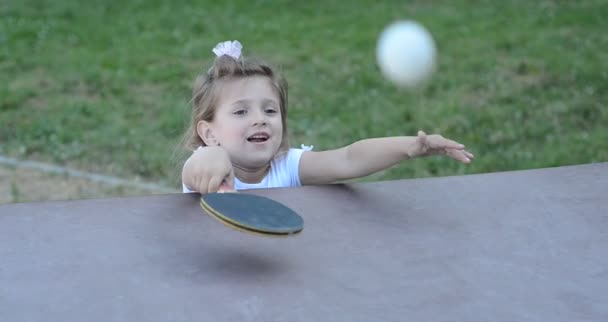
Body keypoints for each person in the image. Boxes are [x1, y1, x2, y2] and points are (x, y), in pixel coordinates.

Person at [181, 40, 474, 194]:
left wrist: (410, 147)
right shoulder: (203, 169)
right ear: (208, 133)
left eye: (270, 110)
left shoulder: (288, 167)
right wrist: (211, 157)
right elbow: (197, 169)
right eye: (241, 111)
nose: (260, 119)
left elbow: (349, 159)